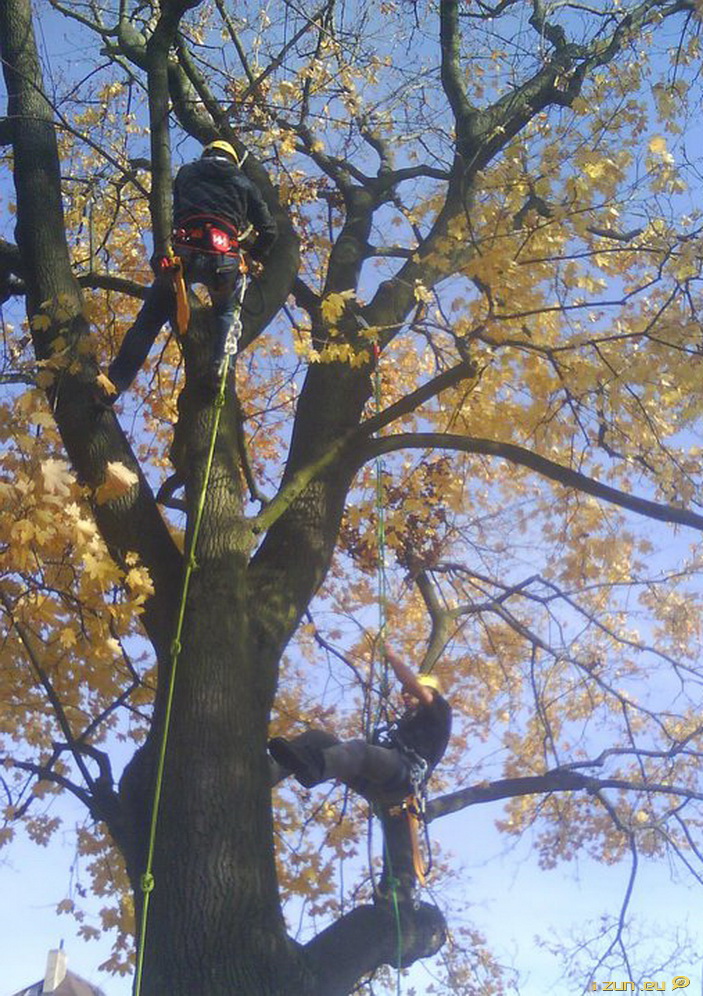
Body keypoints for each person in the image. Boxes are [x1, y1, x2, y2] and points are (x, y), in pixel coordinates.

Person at [104, 140, 277, 399]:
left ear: (206, 154)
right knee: (226, 312)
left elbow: (176, 214)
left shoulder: (186, 173)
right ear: (232, 160)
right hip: (224, 259)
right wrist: (253, 256)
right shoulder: (243, 182)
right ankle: (219, 368)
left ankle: (114, 383)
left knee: (150, 319)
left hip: (185, 254)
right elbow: (269, 230)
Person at [268, 648, 452, 805]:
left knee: (359, 750)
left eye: (410, 693)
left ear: (430, 692)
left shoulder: (440, 710)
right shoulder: (405, 724)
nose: (405, 695)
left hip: (403, 775)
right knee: (317, 738)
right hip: (376, 783)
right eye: (403, 693)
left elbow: (411, 683)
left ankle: (316, 768)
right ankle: (270, 774)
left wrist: (391, 656)